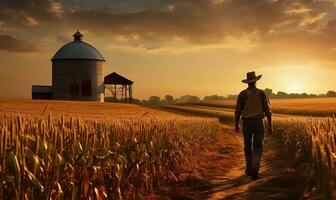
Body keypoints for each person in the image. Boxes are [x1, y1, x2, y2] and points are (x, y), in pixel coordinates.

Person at [234, 71, 273, 180]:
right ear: (255, 81)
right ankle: (255, 168)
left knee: (247, 146)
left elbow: (237, 111)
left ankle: (249, 168)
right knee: (258, 146)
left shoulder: (242, 94)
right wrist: (270, 126)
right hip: (258, 123)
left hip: (246, 123)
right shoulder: (262, 93)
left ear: (247, 82)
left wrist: (236, 125)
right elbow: (268, 111)